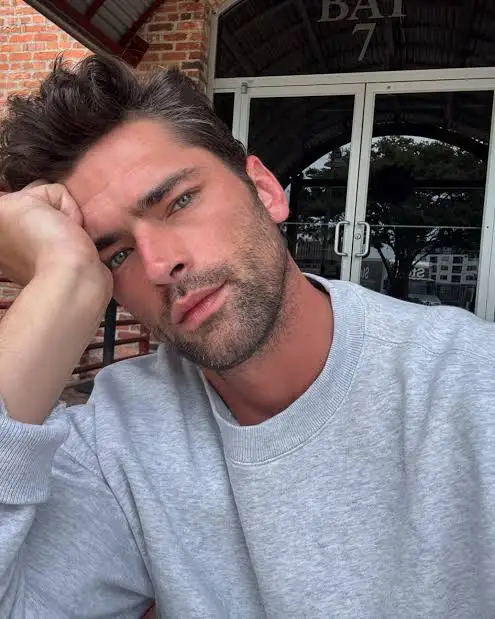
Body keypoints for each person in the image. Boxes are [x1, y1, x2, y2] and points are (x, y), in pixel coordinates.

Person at [0, 54, 494, 619]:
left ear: (265, 190)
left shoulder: (471, 386)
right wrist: (59, 278)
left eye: (180, 202)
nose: (160, 265)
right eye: (116, 254)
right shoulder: (121, 435)